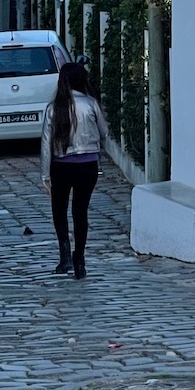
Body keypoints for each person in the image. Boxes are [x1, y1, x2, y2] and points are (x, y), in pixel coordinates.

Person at [40, 62, 110, 279]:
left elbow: (45, 143)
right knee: (81, 212)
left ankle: (65, 256)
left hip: (61, 165)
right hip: (87, 165)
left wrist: (44, 173)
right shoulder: (91, 104)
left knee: (59, 211)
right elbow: (104, 133)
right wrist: (98, 154)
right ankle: (80, 257)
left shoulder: (54, 108)